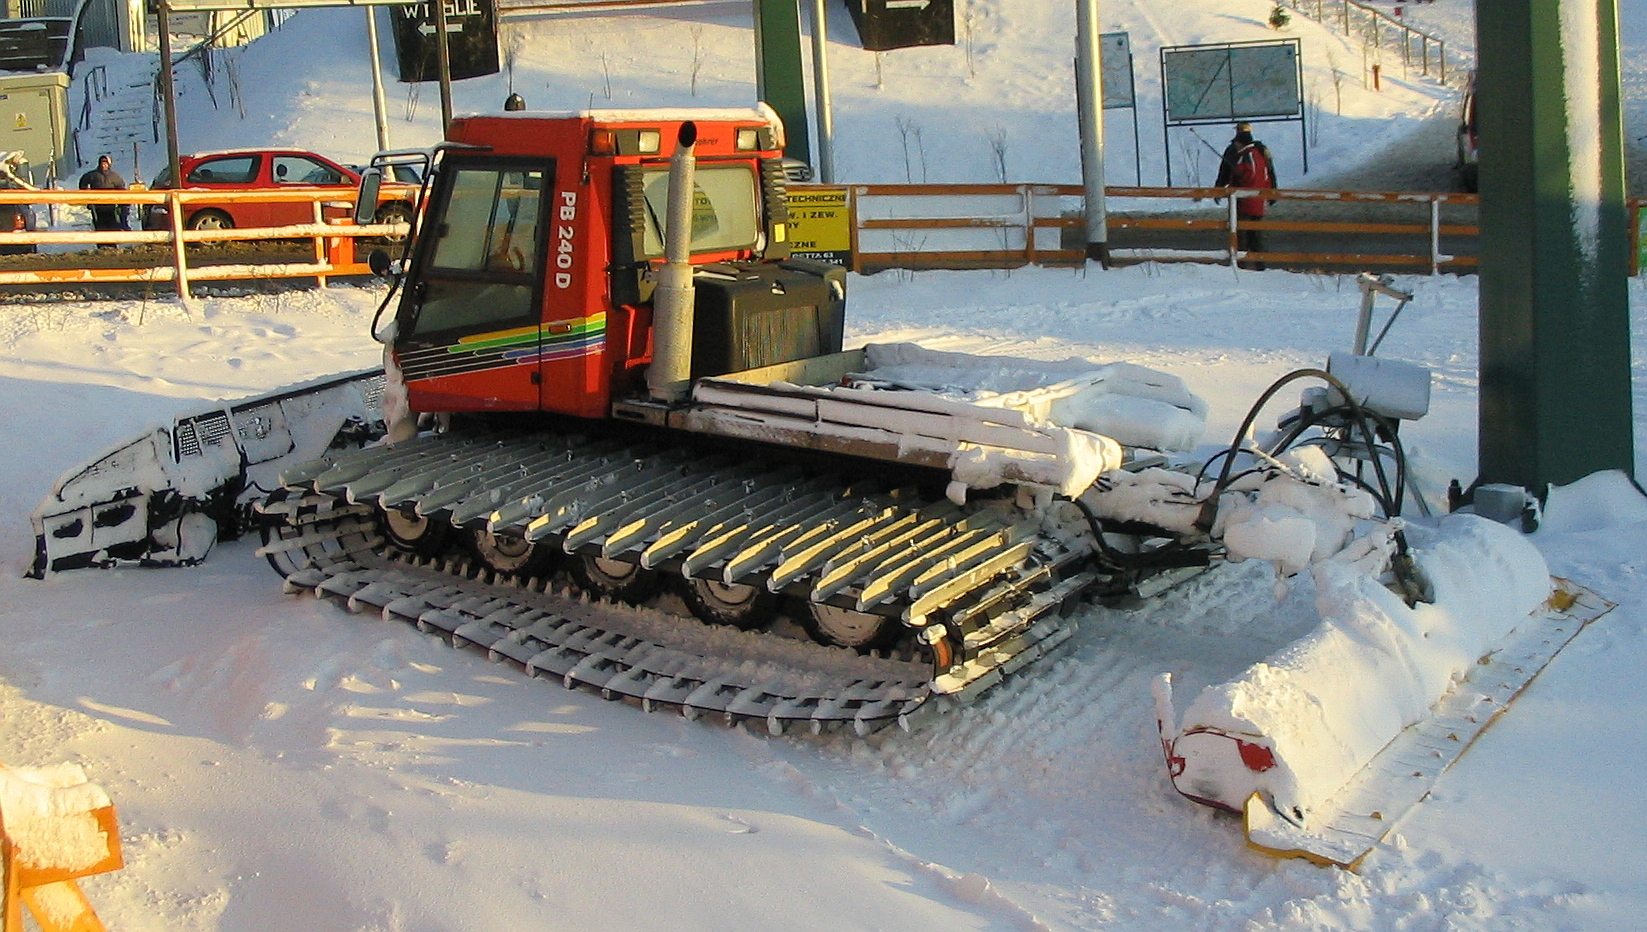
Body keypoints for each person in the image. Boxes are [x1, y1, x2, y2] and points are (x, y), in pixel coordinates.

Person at [1214, 123, 1278, 270]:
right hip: (1259, 199)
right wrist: (1273, 192)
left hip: (1241, 200)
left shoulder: (1236, 151)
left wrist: (1218, 188)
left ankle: (1240, 265)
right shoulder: (1261, 150)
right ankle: (1260, 264)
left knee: (1240, 233)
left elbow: (1225, 170)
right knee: (1255, 233)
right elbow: (1270, 171)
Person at [79, 155, 130, 240]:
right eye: (102, 163)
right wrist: (88, 197)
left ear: (109, 165)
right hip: (97, 206)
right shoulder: (93, 175)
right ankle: (101, 244)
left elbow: (121, 188)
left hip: (111, 206)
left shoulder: (114, 176)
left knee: (112, 224)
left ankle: (112, 243)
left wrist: (123, 203)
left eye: (106, 164)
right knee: (99, 225)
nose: (104, 166)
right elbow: (83, 183)